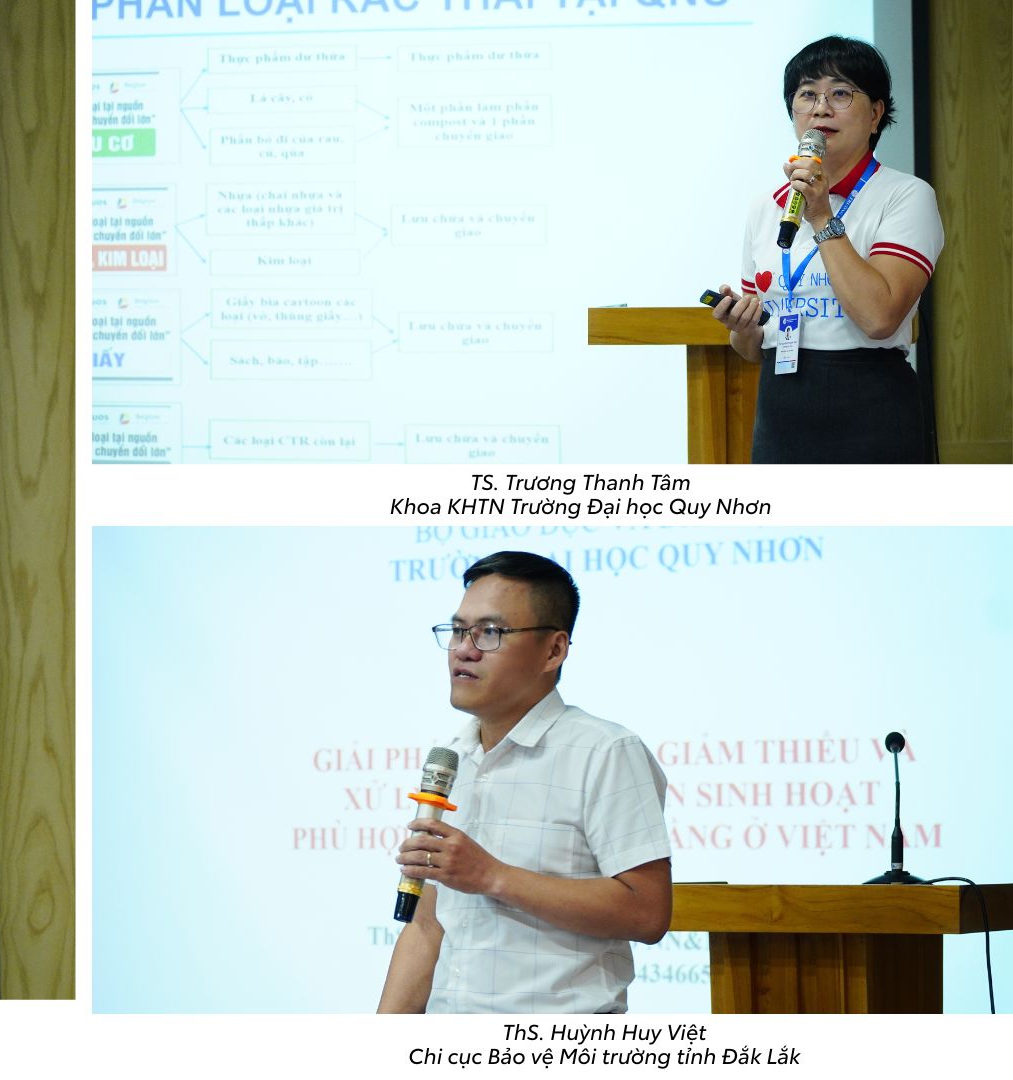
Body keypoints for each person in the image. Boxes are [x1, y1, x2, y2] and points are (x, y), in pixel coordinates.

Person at [377, 552, 671, 1014]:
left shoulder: (604, 751)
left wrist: (492, 876)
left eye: (490, 632)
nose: (464, 649)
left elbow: (648, 912)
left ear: (553, 650)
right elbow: (427, 926)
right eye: (458, 630)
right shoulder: (453, 756)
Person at [709, 35, 943, 463]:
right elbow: (752, 348)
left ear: (876, 114)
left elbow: (879, 318)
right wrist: (742, 327)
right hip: (781, 411)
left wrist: (820, 216)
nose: (820, 108)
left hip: (870, 407)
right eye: (806, 94)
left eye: (840, 93)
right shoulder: (767, 207)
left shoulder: (905, 195)